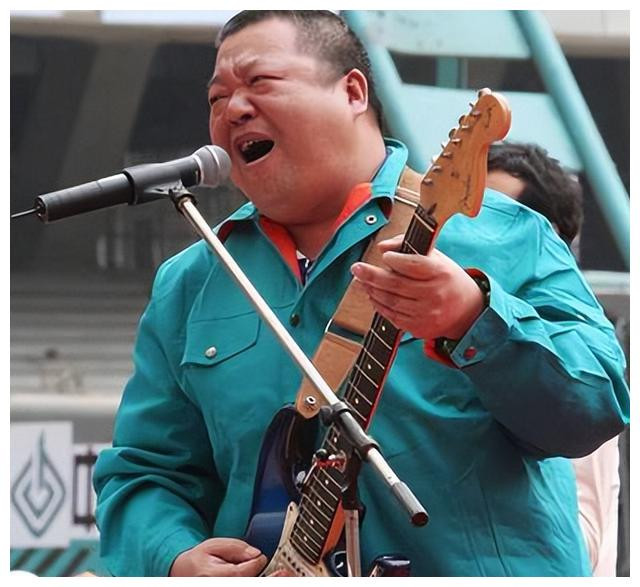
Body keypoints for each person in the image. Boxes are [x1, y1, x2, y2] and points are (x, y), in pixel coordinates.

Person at [93, 11, 629, 577]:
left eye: (260, 82)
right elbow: (145, 471)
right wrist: (174, 556)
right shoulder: (192, 280)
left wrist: (475, 317)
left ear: (352, 92)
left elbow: (595, 406)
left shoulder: (502, 236)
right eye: (217, 97)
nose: (234, 109)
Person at [487, 141, 622, 576]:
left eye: (493, 218)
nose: (466, 233)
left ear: (547, 240)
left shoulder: (571, 349)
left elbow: (582, 541)